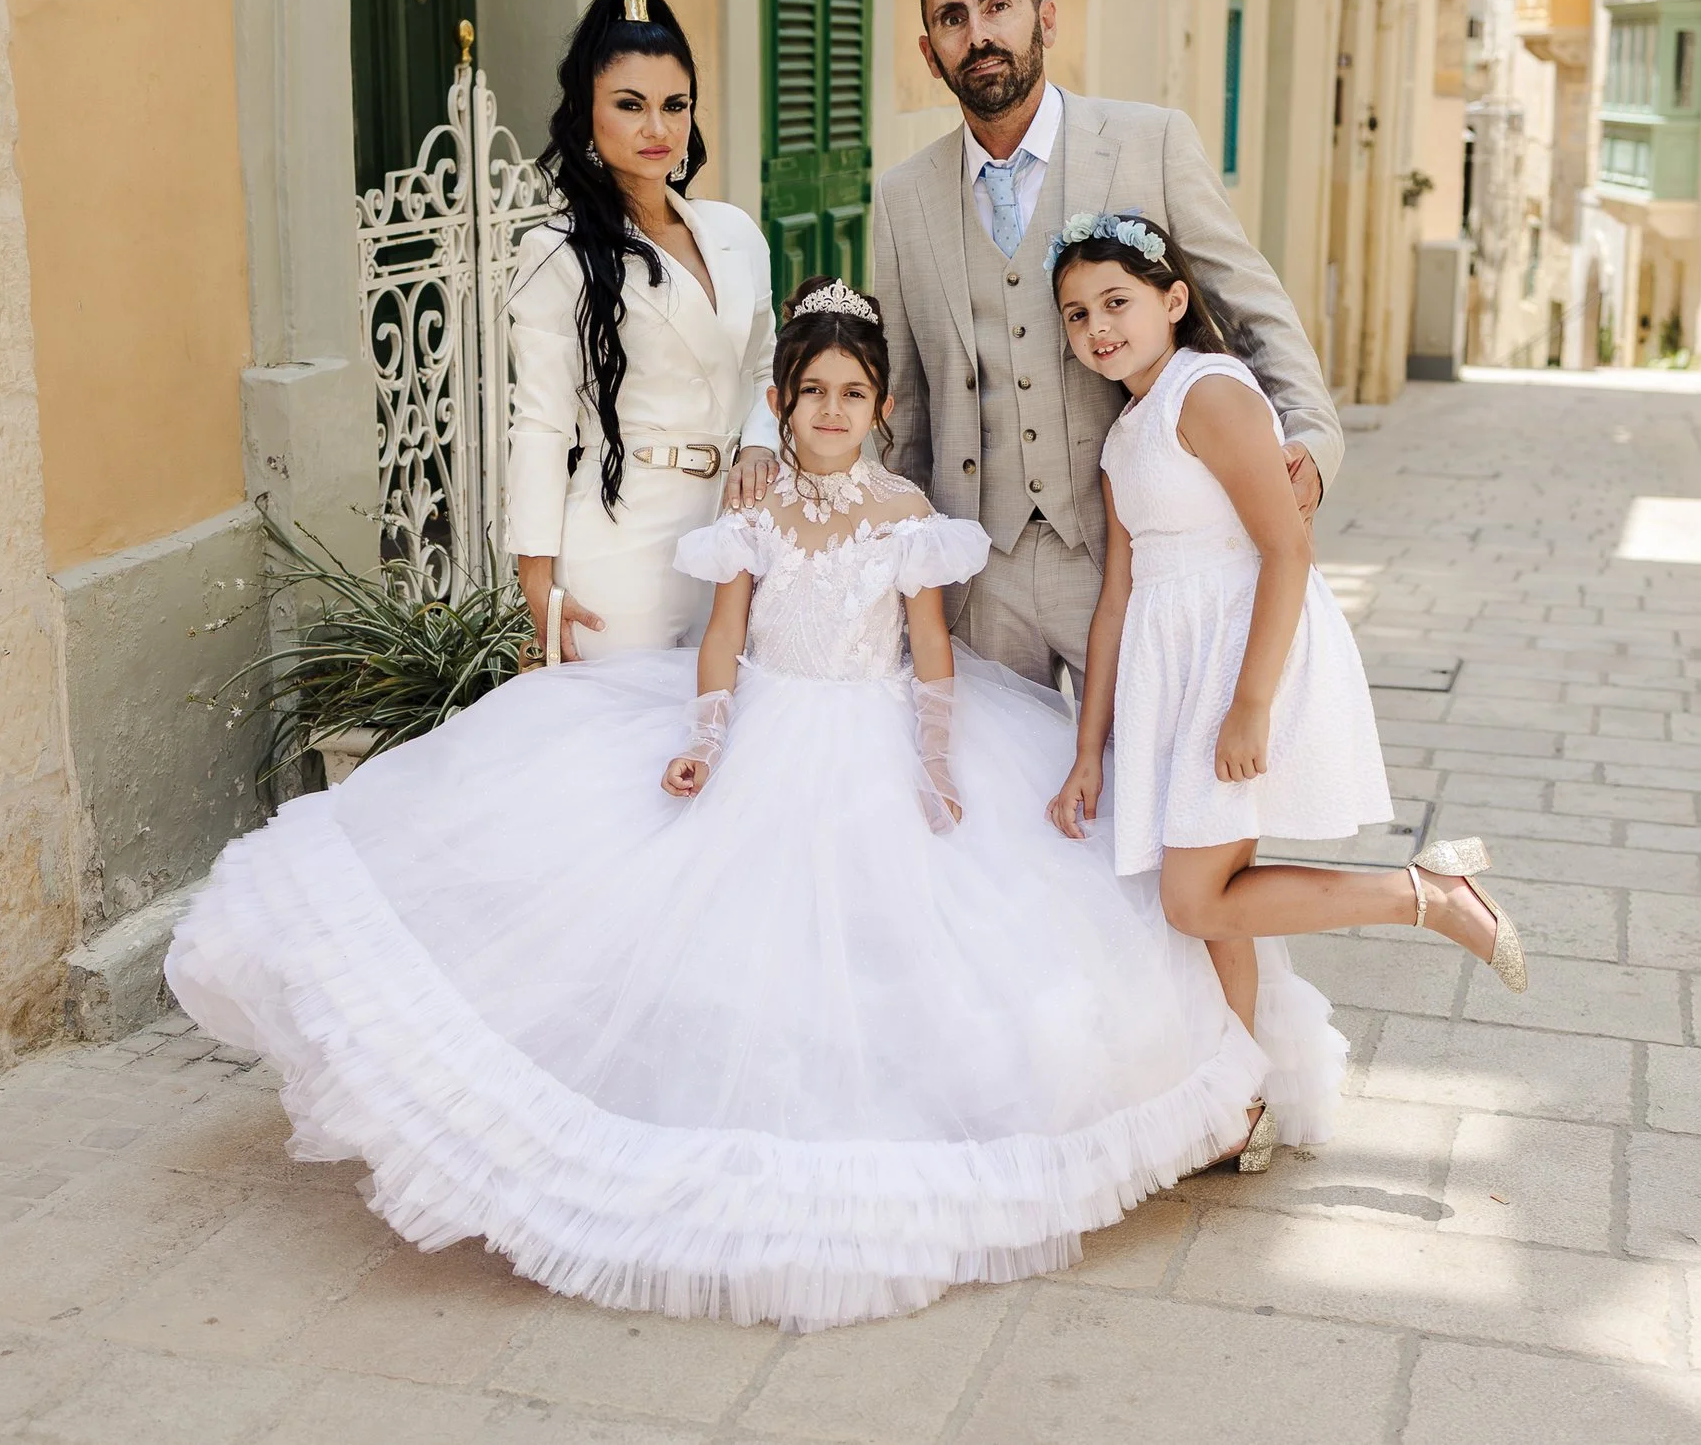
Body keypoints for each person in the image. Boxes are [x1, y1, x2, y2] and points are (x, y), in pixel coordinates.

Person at [162, 281, 1345, 1331]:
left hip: (873, 735)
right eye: (812, 390)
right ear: (780, 401)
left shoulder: (903, 518)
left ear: (880, 409)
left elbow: (930, 653)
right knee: (721, 922)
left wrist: (938, 760)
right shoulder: (758, 509)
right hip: (767, 723)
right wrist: (705, 736)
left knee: (908, 938)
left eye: (854, 392)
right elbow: (722, 633)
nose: (832, 410)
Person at [733, 0, 1341, 695]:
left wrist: (1313, 437)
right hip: (974, 570)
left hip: (1122, 556)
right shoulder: (903, 194)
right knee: (992, 800)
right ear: (931, 54)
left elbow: (1250, 306)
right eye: (953, 18)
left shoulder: (1149, 143)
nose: (978, 33)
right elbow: (909, 400)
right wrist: (893, 558)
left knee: (1135, 787)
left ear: (1044, 19)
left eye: (998, 6)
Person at [1045, 215, 1528, 1162]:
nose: (1098, 327)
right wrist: (1088, 751)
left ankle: (1422, 892)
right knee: (1217, 894)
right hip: (1170, 671)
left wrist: (1251, 700)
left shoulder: (1207, 390)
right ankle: (1241, 1105)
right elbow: (1115, 603)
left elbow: (1287, 545)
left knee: (1194, 899)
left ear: (1173, 301)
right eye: (1077, 314)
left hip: (1239, 654)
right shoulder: (1126, 432)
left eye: (1117, 301)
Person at [508, 0, 773, 660]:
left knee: (725, 744)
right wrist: (537, 583)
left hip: (735, 529)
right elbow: (539, 421)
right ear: (588, 114)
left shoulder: (735, 233)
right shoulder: (556, 253)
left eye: (674, 105)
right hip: (620, 543)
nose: (658, 128)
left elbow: (768, 364)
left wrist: (760, 444)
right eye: (631, 105)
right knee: (626, 752)